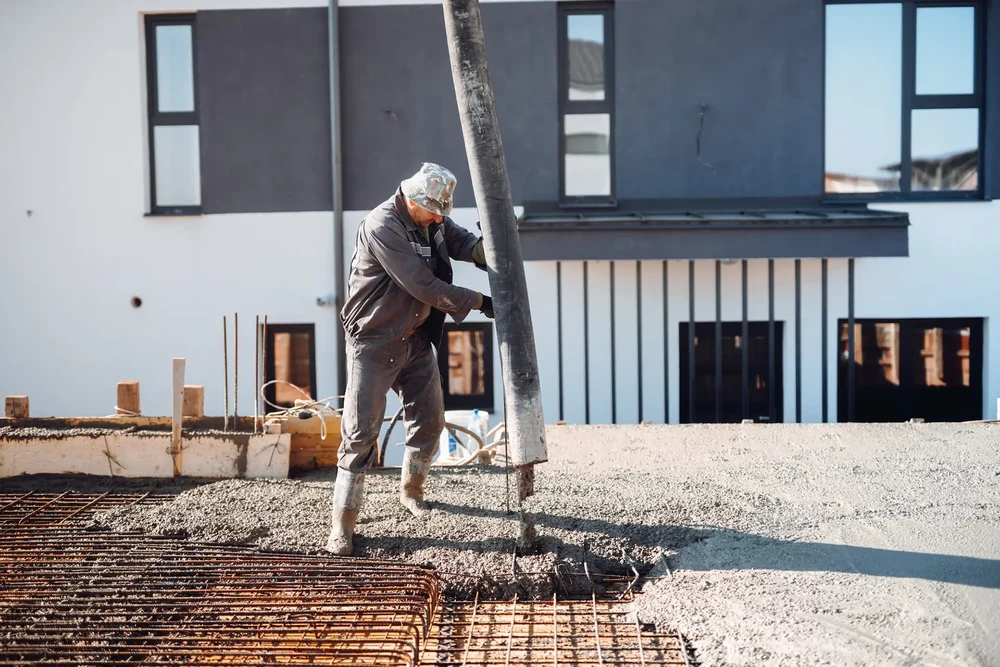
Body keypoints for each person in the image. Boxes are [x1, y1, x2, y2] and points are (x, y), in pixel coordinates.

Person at [326, 162, 494, 556]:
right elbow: (422, 284)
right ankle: (342, 526)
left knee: (431, 417)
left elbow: (459, 241)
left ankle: (411, 492)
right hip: (376, 338)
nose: (439, 218)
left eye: (442, 213)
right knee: (360, 431)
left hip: (415, 336)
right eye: (435, 211)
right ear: (413, 199)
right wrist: (481, 301)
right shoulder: (382, 225)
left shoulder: (430, 220)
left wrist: (486, 250)